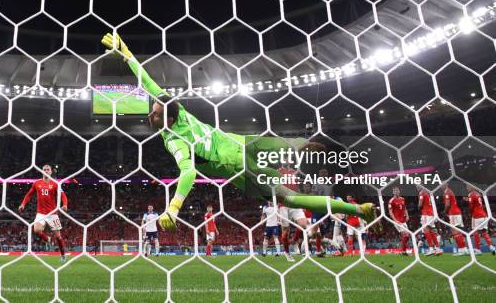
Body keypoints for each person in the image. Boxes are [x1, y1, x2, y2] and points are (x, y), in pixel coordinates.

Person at [101, 33, 376, 233]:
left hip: (234, 163)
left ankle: (349, 200)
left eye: (156, 114)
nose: (150, 114)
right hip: (240, 140)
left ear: (170, 119)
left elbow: (189, 173)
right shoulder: (178, 110)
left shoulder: (175, 139)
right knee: (291, 147)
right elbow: (147, 82)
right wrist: (126, 54)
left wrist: (173, 208)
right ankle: (349, 196)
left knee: (290, 198)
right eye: (152, 111)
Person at [18, 165, 68, 262]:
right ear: (42, 171)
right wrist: (23, 204)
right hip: (41, 213)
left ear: (51, 172)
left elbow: (63, 195)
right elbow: (29, 194)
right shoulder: (37, 183)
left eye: (47, 169)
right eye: (44, 169)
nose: (46, 171)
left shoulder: (55, 184)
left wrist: (65, 204)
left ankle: (63, 255)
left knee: (58, 236)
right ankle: (48, 239)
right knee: (36, 230)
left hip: (53, 213)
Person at [465, 185, 495, 255]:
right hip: (483, 215)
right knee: (484, 232)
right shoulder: (477, 193)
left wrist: (470, 213)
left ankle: (478, 249)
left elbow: (471, 206)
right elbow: (475, 202)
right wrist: (468, 199)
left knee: (476, 233)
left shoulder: (471, 194)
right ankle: (492, 247)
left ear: (472, 187)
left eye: (468, 187)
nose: (467, 188)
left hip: (477, 216)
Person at [443, 183, 468, 256]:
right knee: (458, 232)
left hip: (453, 213)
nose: (441, 185)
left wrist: (444, 211)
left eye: (443, 184)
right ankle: (464, 249)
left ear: (447, 184)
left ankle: (462, 250)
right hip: (456, 212)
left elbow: (447, 204)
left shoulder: (447, 192)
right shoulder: (449, 191)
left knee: (455, 232)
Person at [417, 185, 442, 256]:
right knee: (431, 231)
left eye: (418, 186)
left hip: (426, 213)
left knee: (426, 230)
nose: (417, 188)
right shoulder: (428, 192)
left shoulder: (421, 193)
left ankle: (431, 249)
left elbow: (420, 204)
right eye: (416, 186)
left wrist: (418, 207)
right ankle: (437, 248)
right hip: (431, 213)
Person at [388, 187, 411, 256]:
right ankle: (403, 251)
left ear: (399, 191)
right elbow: (390, 212)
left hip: (403, 220)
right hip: (397, 221)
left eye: (397, 190)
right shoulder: (391, 201)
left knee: (407, 236)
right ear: (393, 192)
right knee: (406, 235)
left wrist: (407, 215)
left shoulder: (402, 199)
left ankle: (402, 251)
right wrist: (395, 220)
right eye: (394, 191)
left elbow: (405, 208)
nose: (396, 192)